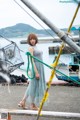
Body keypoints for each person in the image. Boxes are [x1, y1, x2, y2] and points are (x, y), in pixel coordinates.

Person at [18, 33, 46, 110]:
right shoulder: (30, 48)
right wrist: (36, 72)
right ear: (29, 41)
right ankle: (31, 104)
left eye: (33, 39)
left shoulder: (36, 47)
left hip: (40, 67)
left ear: (36, 39)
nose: (32, 40)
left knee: (32, 86)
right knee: (33, 86)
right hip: (36, 68)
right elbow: (32, 61)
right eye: (31, 39)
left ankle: (23, 102)